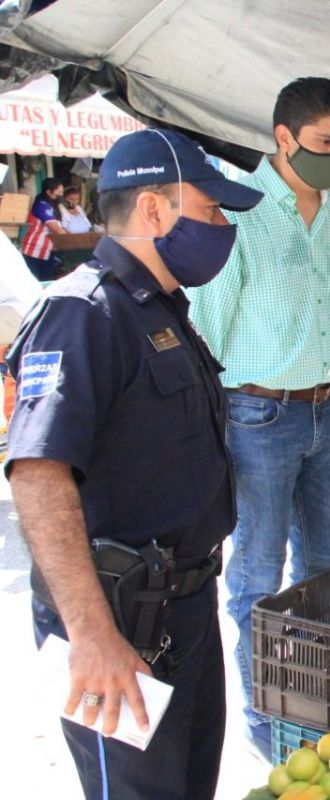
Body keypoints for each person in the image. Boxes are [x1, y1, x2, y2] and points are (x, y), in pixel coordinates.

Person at [7, 127, 262, 799]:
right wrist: (91, 636)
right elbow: (37, 474)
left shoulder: (162, 310)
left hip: (184, 608)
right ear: (155, 210)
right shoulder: (82, 315)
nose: (223, 227)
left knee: (190, 784)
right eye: (212, 210)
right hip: (118, 625)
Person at [188, 77, 330, 759]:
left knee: (325, 569)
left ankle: (320, 701)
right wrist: (204, 432)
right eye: (323, 143)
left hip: (325, 411)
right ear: (284, 139)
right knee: (257, 579)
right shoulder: (241, 214)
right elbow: (207, 329)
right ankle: (268, 724)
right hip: (254, 416)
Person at [20, 177, 66, 281]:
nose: (61, 195)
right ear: (49, 192)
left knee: (46, 284)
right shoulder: (41, 205)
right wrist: (74, 241)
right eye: (58, 192)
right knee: (34, 285)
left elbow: (60, 227)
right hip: (34, 253)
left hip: (48, 253)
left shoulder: (53, 206)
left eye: (62, 192)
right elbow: (56, 229)